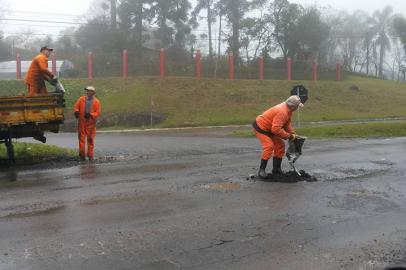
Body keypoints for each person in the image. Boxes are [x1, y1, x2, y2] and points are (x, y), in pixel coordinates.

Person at [253, 95, 304, 178]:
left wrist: (293, 134)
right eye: (297, 106)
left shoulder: (288, 110)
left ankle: (276, 169)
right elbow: (276, 129)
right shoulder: (282, 112)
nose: (298, 108)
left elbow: (287, 124)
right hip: (261, 127)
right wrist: (289, 136)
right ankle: (261, 170)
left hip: (270, 128)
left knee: (280, 145)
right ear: (293, 106)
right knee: (269, 146)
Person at [73, 86, 101, 161]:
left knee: (90, 139)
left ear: (92, 92)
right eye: (86, 91)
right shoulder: (81, 99)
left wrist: (91, 115)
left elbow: (97, 113)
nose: (87, 92)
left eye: (88, 91)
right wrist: (76, 112)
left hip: (91, 124)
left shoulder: (96, 102)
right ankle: (82, 155)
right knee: (81, 139)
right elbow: (76, 106)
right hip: (82, 122)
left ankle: (90, 155)